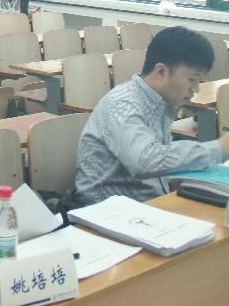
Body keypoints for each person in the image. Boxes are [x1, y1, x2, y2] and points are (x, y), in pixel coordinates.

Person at [74, 27, 229, 206]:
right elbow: (144, 161)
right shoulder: (123, 103)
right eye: (192, 79)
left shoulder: (162, 101)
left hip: (145, 202)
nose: (196, 89)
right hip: (105, 209)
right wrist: (220, 148)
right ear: (161, 72)